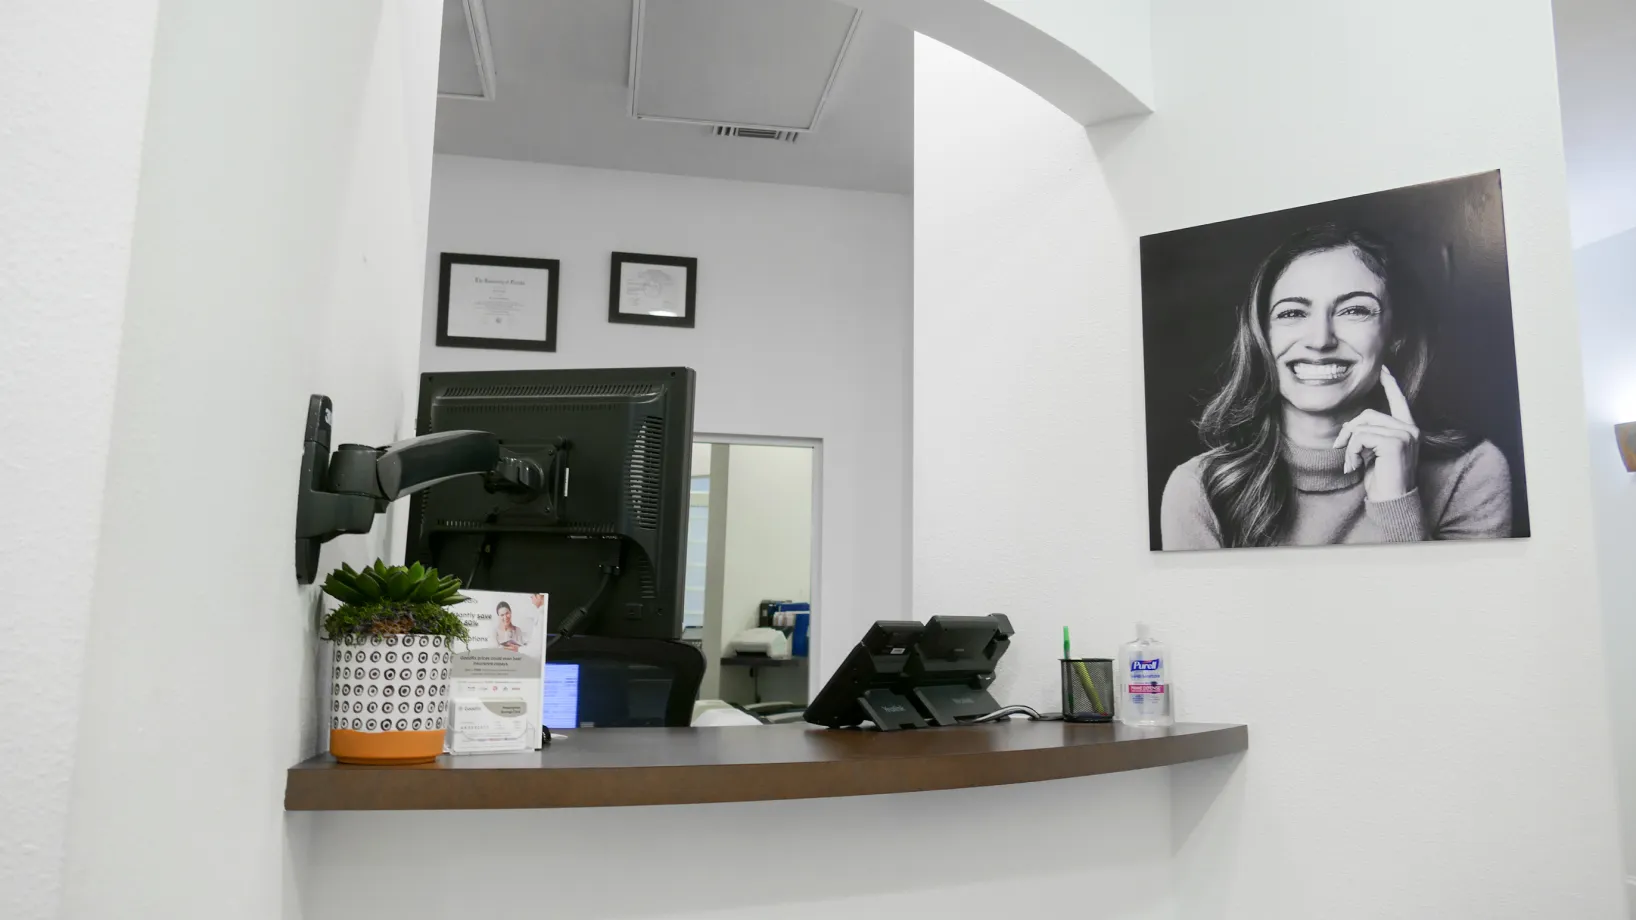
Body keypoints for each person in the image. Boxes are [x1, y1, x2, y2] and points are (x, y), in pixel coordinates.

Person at [1160, 224, 1512, 549]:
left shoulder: (1472, 472)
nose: (1320, 340)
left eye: (1354, 310)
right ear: (1262, 336)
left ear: (1396, 335)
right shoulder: (1199, 489)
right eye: (1293, 313)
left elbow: (1454, 614)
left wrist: (1395, 505)